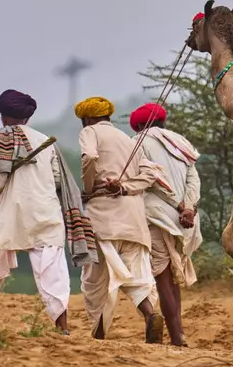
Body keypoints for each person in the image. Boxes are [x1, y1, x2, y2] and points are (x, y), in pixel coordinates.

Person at [0, 89, 80, 335]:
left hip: (11, 212)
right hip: (46, 212)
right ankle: (62, 328)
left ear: (3, 117)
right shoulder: (45, 141)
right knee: (53, 272)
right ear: (27, 118)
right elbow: (57, 179)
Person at [75, 96, 171, 343]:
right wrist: (125, 187)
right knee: (137, 277)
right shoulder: (129, 141)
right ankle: (150, 316)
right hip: (134, 220)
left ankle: (98, 335)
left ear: (87, 119)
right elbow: (152, 173)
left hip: (103, 218)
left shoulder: (89, 132)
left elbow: (89, 157)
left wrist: (88, 188)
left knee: (95, 280)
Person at [129, 102, 203, 347]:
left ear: (140, 125)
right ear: (163, 121)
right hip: (185, 221)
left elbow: (153, 181)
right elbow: (194, 179)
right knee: (172, 277)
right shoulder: (181, 142)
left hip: (157, 217)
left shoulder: (137, 142)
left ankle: (177, 336)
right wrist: (188, 207)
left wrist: (180, 206)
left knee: (162, 278)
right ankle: (177, 333)